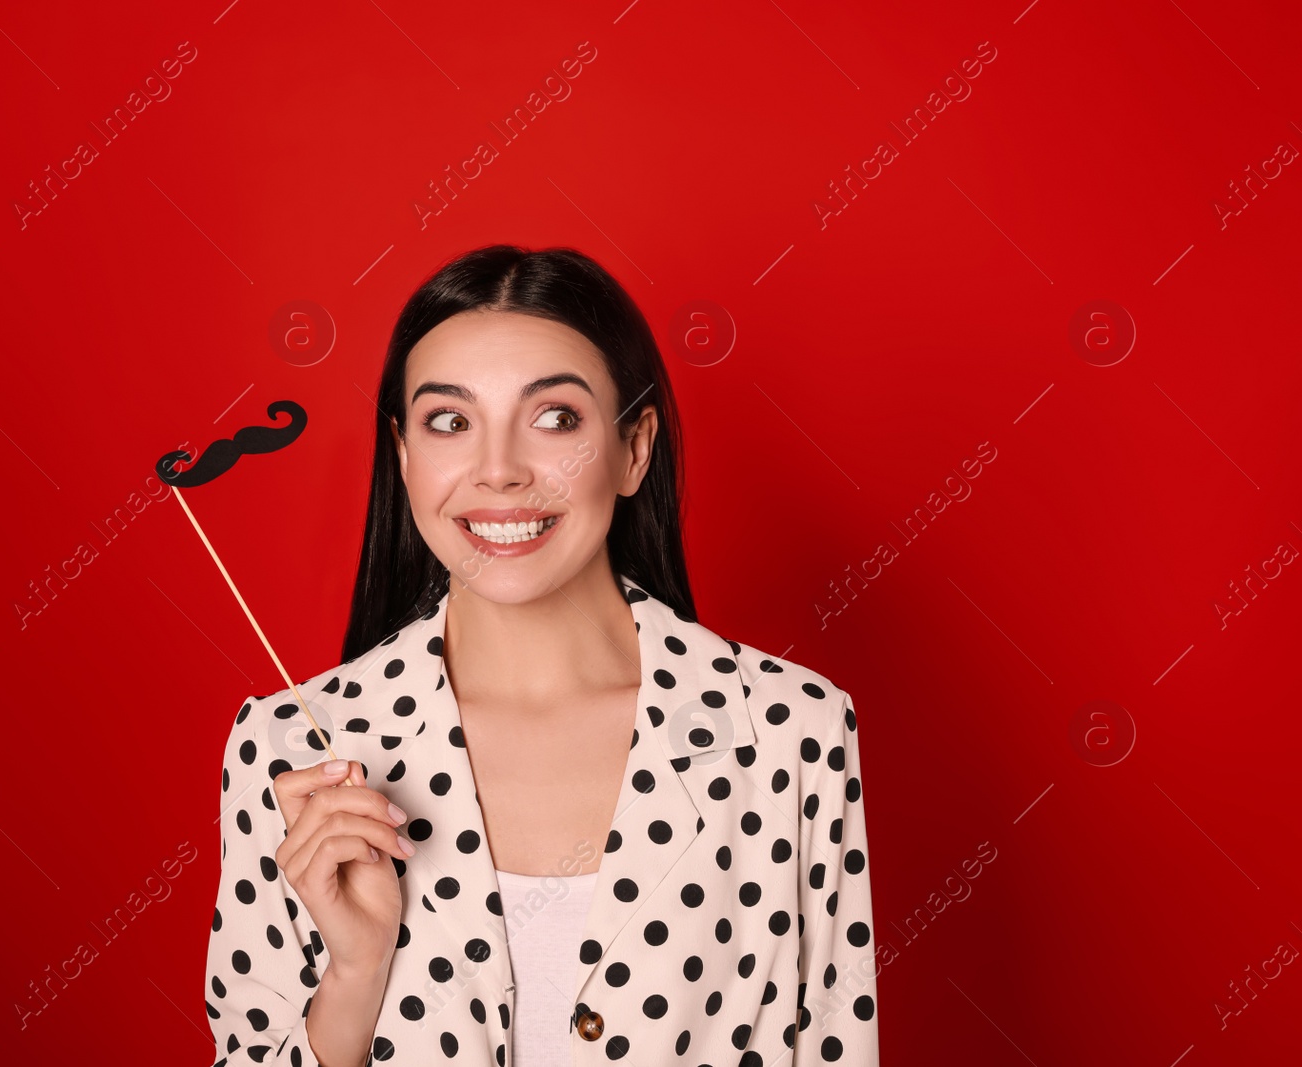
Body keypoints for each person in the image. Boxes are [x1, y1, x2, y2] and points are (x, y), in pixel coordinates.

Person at [204, 245, 879, 1065]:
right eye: (450, 421)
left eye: (555, 417)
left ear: (635, 448)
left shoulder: (790, 730)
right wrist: (355, 971)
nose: (498, 472)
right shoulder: (293, 747)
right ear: (405, 456)